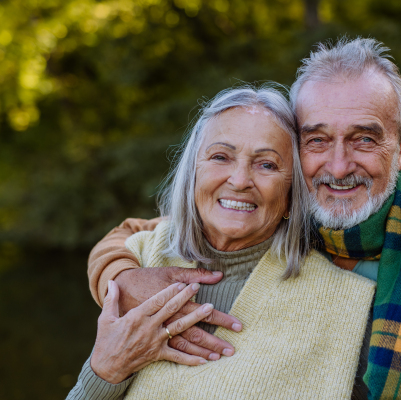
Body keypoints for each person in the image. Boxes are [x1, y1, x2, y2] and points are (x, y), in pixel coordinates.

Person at [82, 38, 401, 399]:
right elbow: (137, 232)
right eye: (317, 139)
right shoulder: (272, 211)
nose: (338, 167)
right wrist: (122, 281)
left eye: (364, 139)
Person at [68, 86, 377, 399]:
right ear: (193, 175)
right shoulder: (142, 257)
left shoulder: (347, 306)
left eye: (267, 164)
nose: (240, 180)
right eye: (220, 157)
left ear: (290, 196)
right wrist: (106, 371)